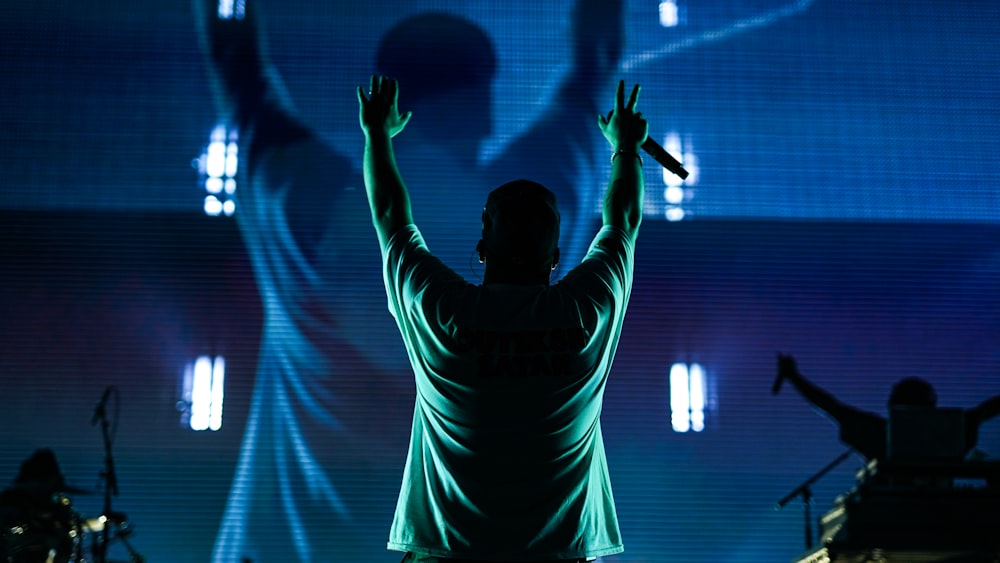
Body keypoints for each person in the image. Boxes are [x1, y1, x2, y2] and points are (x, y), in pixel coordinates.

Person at [358, 75, 647, 562]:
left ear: (481, 248)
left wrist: (377, 135)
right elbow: (623, 219)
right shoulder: (587, 310)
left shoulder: (441, 310)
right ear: (555, 256)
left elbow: (389, 215)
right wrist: (625, 148)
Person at [774, 353, 1000, 460]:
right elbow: (986, 410)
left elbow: (831, 407)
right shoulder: (953, 429)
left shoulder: (876, 433)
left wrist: (794, 377)